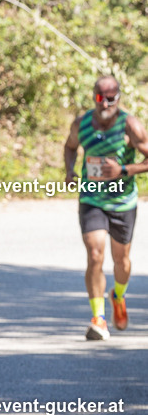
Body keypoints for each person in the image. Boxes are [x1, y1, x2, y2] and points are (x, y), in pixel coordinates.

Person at [64, 75, 148, 340]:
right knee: (95, 254)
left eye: (111, 98)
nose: (105, 103)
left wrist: (123, 170)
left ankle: (118, 296)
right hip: (91, 199)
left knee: (121, 261)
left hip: (123, 202)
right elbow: (70, 147)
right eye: (100, 97)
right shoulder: (81, 123)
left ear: (118, 98)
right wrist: (69, 170)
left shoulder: (130, 126)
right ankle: (98, 318)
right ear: (94, 97)